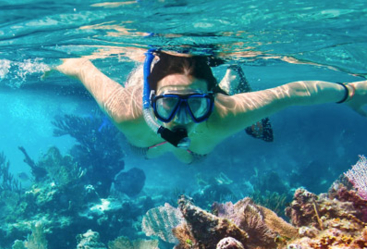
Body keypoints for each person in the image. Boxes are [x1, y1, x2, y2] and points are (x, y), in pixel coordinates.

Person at [55, 50, 367, 164]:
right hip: (146, 140)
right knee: (145, 150)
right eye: (168, 103)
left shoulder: (225, 114)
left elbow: (293, 92)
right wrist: (57, 65)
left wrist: (352, 92)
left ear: (210, 100)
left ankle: (230, 77)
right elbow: (83, 66)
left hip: (201, 136)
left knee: (194, 156)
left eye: (194, 104)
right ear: (151, 101)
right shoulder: (127, 113)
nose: (182, 118)